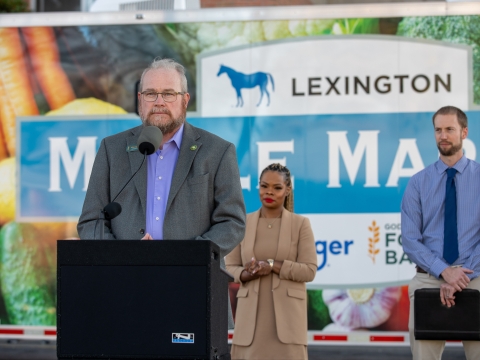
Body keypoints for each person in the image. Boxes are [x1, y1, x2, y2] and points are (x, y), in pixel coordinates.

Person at [77, 58, 246, 328]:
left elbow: (232, 222)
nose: (159, 101)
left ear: (185, 99)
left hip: (194, 292)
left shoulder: (217, 151)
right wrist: (126, 257)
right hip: (125, 291)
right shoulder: (112, 149)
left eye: (168, 93)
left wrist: (182, 257)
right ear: (140, 99)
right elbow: (90, 221)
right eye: (150, 94)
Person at [401, 105, 480, 360]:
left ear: (464, 132)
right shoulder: (418, 182)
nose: (443, 136)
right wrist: (445, 271)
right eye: (438, 130)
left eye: (449, 129)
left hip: (475, 276)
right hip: (429, 279)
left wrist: (460, 276)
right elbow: (411, 241)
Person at [225, 163, 317, 360]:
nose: (269, 192)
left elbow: (309, 270)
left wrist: (273, 265)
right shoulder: (244, 224)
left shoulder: (300, 224)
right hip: (250, 322)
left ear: (287, 190)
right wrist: (246, 273)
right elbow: (228, 267)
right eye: (264, 186)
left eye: (277, 188)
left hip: (288, 323)